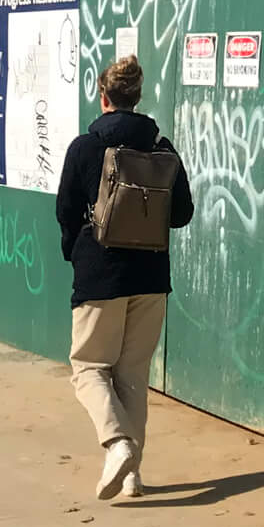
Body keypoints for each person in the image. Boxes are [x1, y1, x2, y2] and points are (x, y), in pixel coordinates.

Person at [54, 56, 194, 501]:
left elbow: (64, 210)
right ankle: (132, 475)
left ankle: (116, 445)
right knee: (132, 375)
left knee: (88, 368)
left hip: (100, 276)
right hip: (151, 276)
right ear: (137, 97)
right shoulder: (162, 149)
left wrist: (74, 253)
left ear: (104, 97)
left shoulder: (84, 148)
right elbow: (183, 213)